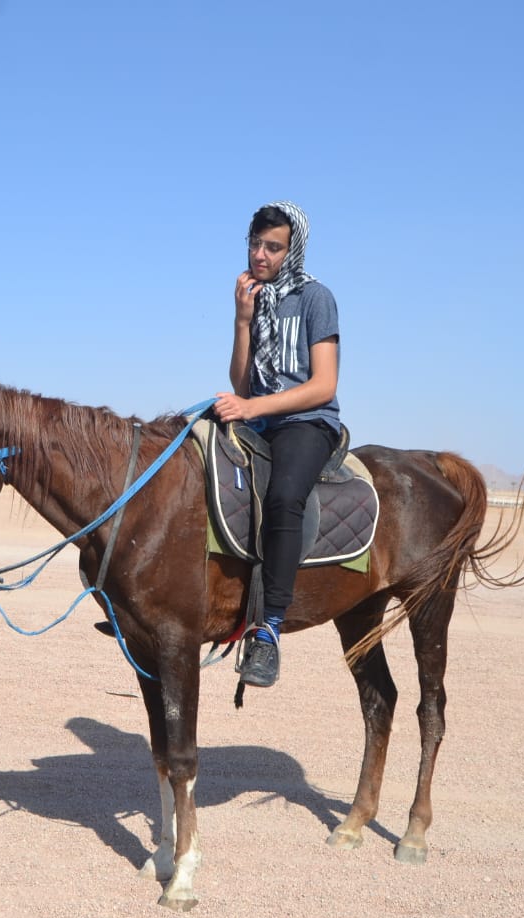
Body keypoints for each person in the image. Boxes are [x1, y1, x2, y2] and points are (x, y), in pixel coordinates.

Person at [212, 201, 341, 687]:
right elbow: (242, 383)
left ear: (294, 250)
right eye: (255, 244)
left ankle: (268, 630)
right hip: (261, 417)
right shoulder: (254, 296)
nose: (260, 255)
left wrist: (252, 409)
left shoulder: (316, 298)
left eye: (273, 247)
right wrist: (243, 320)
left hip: (306, 421)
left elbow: (324, 384)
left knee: (285, 496)